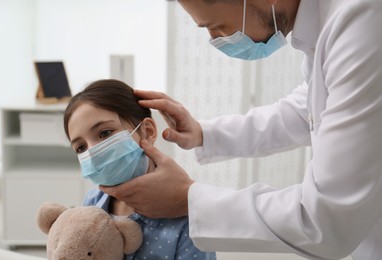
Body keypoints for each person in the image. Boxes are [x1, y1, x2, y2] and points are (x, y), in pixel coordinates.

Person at [100, 0, 382, 259]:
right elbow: (307, 108)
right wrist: (203, 134)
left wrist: (187, 199)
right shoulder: (325, 27)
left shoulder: (363, 21)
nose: (217, 40)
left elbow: (327, 219)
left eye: (216, 27)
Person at [63, 79, 216, 260]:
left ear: (148, 131)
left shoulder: (187, 221)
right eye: (81, 147)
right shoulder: (92, 203)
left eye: (105, 133)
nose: (93, 152)